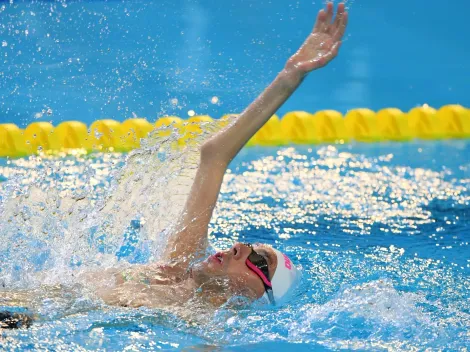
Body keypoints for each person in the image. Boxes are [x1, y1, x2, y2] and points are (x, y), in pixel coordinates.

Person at [1, 2, 348, 328]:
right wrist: (290, 76)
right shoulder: (179, 265)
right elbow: (214, 155)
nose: (240, 248)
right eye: (250, 247)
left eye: (258, 262)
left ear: (258, 296)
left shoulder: (199, 321)